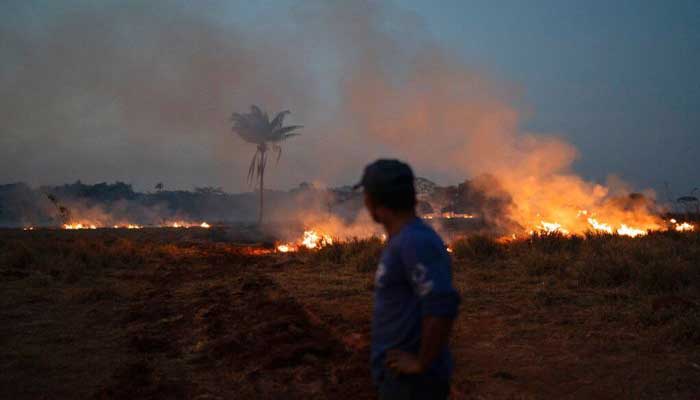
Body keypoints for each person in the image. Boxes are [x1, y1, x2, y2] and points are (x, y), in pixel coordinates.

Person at [354, 159, 461, 400]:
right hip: (396, 377)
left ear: (372, 200)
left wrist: (421, 362)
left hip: (413, 386)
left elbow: (442, 304)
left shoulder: (415, 241)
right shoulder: (403, 239)